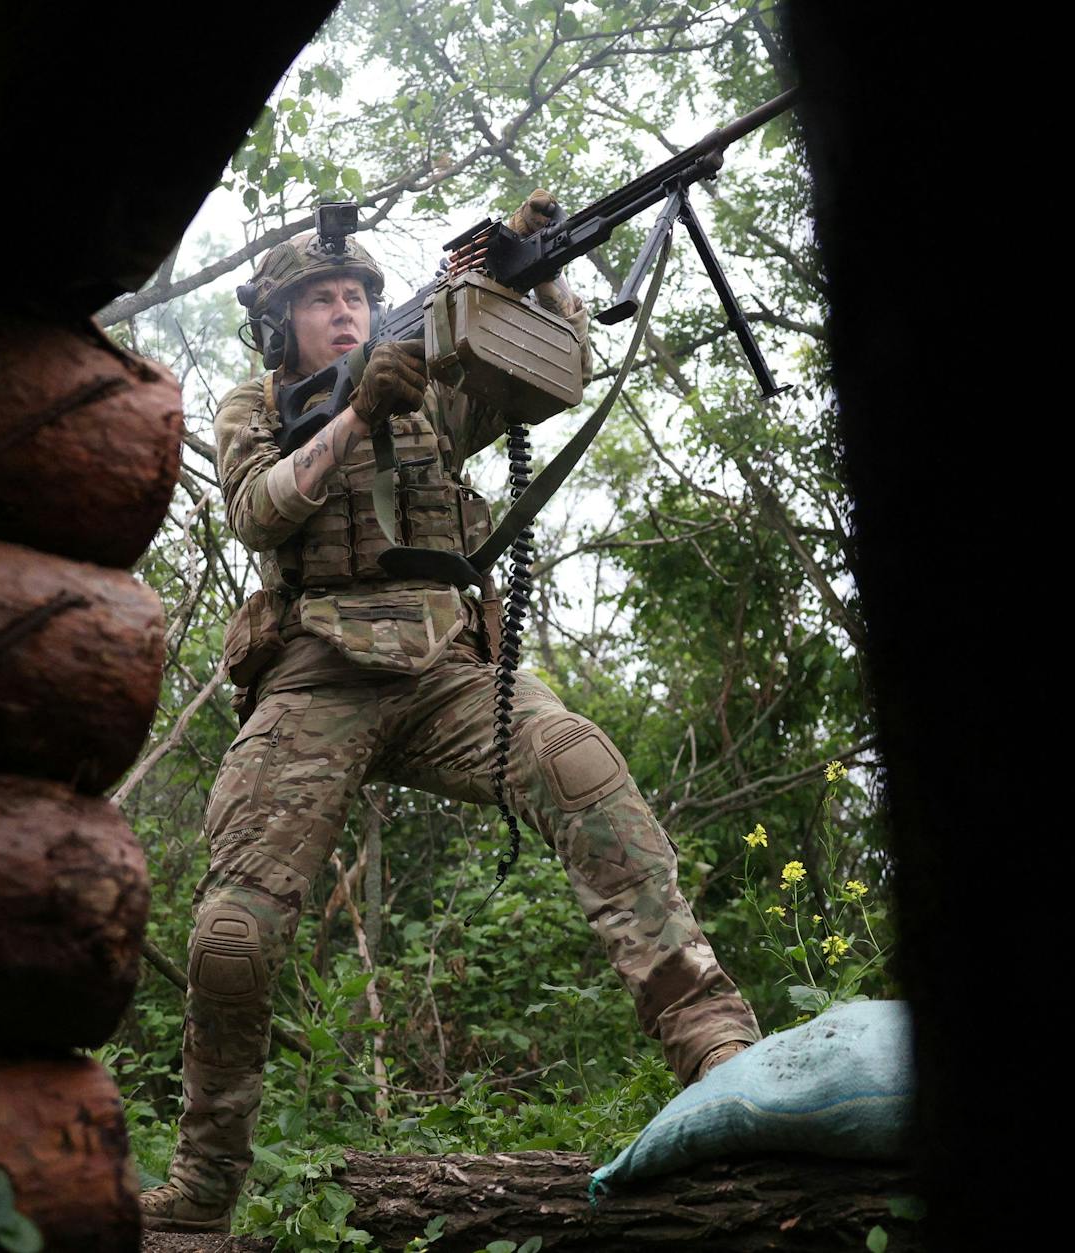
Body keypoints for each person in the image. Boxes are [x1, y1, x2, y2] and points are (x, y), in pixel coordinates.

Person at [141, 191, 761, 1234]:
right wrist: (353, 414)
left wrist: (534, 271)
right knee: (231, 936)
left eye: (355, 296)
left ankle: (724, 1059)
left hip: (443, 666)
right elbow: (257, 510)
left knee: (580, 765)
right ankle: (204, 1188)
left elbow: (553, 373)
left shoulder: (432, 386)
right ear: (279, 321)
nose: (341, 312)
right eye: (318, 299)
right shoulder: (253, 405)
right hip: (312, 674)